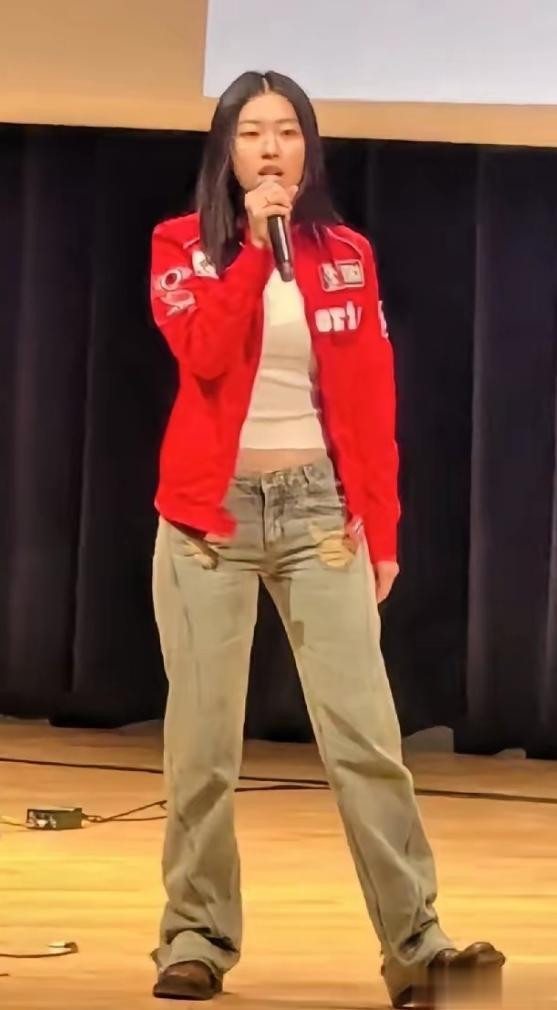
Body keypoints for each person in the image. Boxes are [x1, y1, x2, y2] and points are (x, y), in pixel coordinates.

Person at [149, 70, 505, 1008]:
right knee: (201, 746)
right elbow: (205, 355)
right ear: (225, 151)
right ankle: (195, 937)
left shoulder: (346, 253)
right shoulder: (181, 246)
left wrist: (381, 528)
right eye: (251, 133)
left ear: (309, 147)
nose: (271, 149)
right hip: (209, 519)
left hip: (319, 516)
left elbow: (370, 397)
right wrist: (247, 253)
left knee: (365, 737)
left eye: (288, 131)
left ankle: (417, 946)